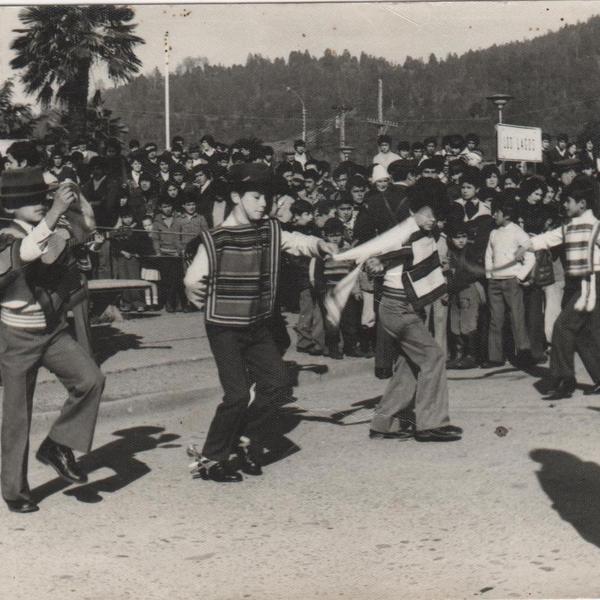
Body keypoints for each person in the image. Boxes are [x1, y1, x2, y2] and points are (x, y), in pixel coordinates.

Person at [184, 163, 336, 482]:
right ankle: (212, 458)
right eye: (256, 197)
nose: (263, 204)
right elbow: (193, 281)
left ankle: (242, 438)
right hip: (224, 327)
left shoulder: (271, 229)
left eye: (267, 198)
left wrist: (318, 246)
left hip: (258, 326)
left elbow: (296, 241)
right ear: (237, 197)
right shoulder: (217, 238)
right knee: (237, 394)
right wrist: (206, 297)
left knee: (278, 383)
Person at [0, 168, 105, 513]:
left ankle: (57, 444)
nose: (37, 203)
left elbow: (86, 225)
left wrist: (75, 193)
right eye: (27, 199)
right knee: (17, 417)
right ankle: (15, 492)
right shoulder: (5, 233)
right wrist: (56, 210)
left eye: (39, 196)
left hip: (52, 329)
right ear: (10, 205)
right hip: (16, 336)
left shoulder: (50, 223)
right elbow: (27, 252)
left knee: (91, 379)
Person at [331, 186, 463, 442]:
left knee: (409, 365)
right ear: (413, 211)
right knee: (433, 357)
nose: (432, 220)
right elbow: (376, 255)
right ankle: (430, 424)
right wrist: (376, 263)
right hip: (398, 307)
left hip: (403, 308)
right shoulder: (402, 234)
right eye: (427, 215)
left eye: (435, 216)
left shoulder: (427, 233)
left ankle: (384, 423)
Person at [515, 175, 600, 400]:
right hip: (578, 285)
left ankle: (564, 380)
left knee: (562, 327)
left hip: (592, 283)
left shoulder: (595, 227)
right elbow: (547, 238)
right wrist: (526, 246)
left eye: (568, 201)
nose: (564, 205)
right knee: (581, 333)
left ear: (582, 204)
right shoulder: (568, 227)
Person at [484, 198, 535, 367]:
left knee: (516, 317)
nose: (494, 215)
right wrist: (490, 275)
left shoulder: (518, 232)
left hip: (512, 282)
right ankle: (495, 357)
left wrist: (519, 276)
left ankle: (523, 354)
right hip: (495, 283)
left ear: (506, 214)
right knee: (495, 319)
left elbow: (530, 256)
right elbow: (488, 255)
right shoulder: (494, 233)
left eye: (496, 212)